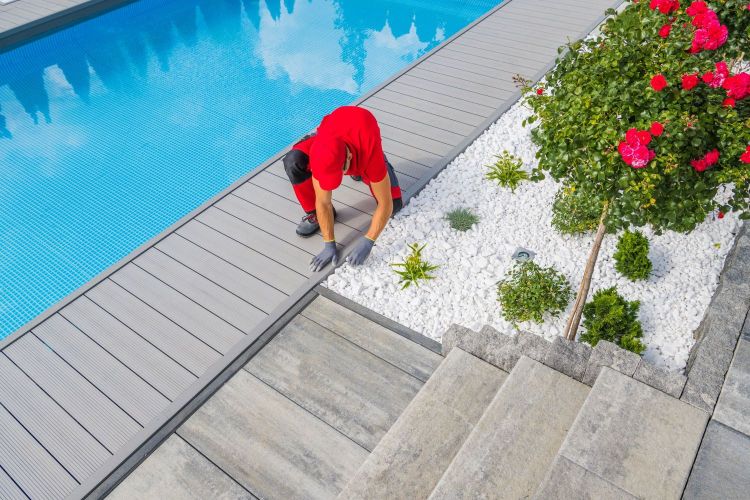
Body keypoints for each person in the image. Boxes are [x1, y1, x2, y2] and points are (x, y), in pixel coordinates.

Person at [283, 106, 403, 272]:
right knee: (293, 161)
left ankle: (373, 166)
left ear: (349, 157)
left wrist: (369, 240)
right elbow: (323, 202)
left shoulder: (368, 151)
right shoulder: (319, 155)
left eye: (341, 171)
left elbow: (386, 204)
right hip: (329, 133)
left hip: (362, 130)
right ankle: (315, 216)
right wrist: (329, 244)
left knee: (395, 205)